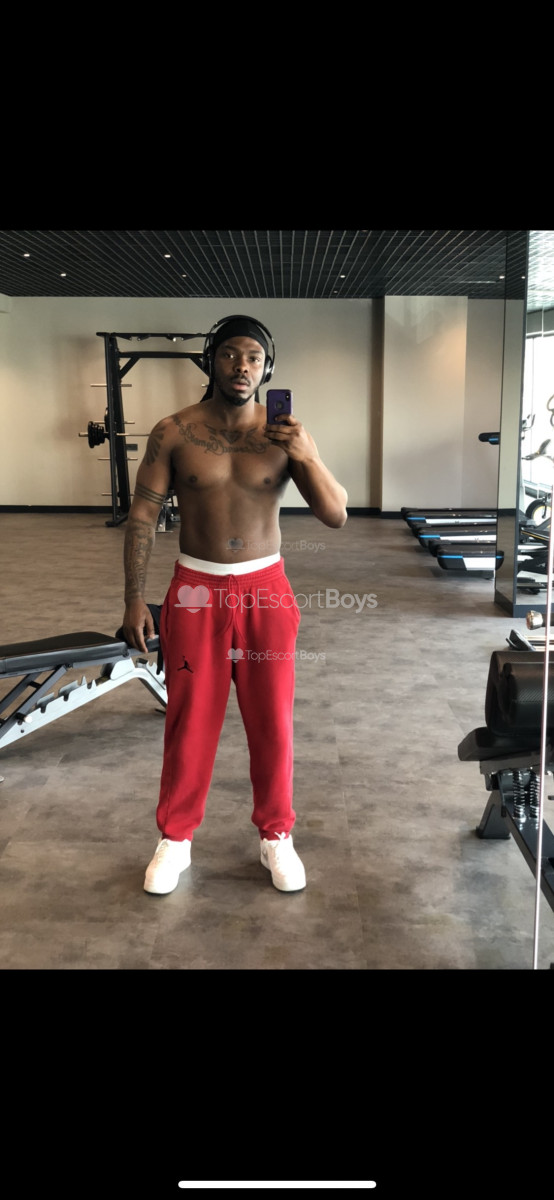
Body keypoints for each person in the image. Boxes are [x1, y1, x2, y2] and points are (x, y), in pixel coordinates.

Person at [121, 314, 348, 896]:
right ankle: (176, 838)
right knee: (189, 720)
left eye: (253, 357)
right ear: (210, 360)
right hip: (195, 591)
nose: (241, 366)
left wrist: (306, 454)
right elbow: (143, 514)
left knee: (272, 720)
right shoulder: (174, 431)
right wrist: (134, 600)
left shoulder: (285, 435)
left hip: (265, 591)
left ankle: (277, 835)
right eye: (229, 354)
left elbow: (336, 513)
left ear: (267, 368)